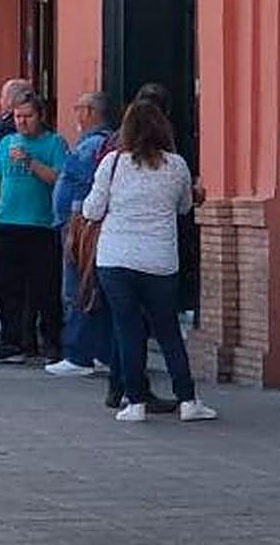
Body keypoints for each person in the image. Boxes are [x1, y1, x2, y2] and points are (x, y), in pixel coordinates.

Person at [83, 100, 217, 422]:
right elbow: (184, 207)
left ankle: (136, 402)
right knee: (168, 331)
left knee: (128, 329)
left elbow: (92, 210)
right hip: (159, 261)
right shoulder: (177, 166)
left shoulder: (112, 164)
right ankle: (187, 400)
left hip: (116, 259)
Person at [0, 92, 68, 365]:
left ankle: (51, 341)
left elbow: (58, 179)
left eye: (28, 116)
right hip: (6, 224)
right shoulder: (7, 142)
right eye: (18, 117)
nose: (22, 122)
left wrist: (30, 162)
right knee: (8, 288)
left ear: (40, 116)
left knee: (45, 288)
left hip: (39, 225)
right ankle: (12, 341)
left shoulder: (54, 143)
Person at [46, 91, 115, 376]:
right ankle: (99, 351)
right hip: (77, 225)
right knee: (89, 289)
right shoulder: (92, 144)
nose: (75, 114)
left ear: (89, 112)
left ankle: (78, 354)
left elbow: (81, 188)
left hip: (78, 227)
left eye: (78, 108)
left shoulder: (91, 146)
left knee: (76, 289)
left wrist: (75, 227)